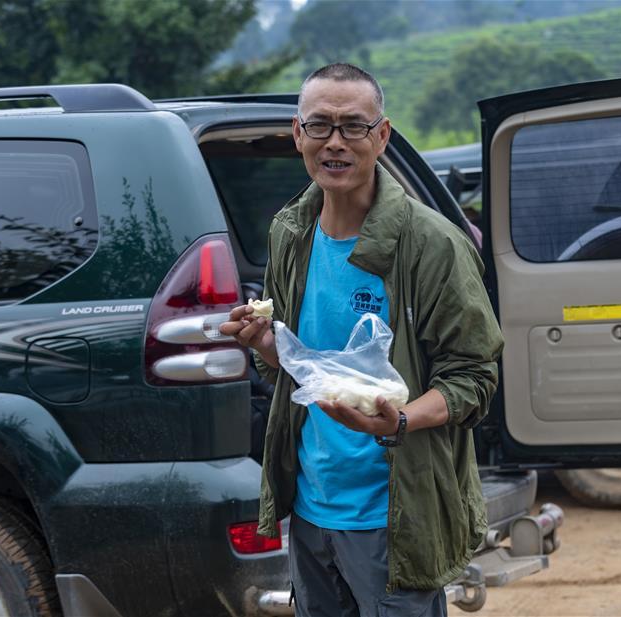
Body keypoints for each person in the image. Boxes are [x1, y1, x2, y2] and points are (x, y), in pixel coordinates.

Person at [219, 63, 503, 617]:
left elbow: (474, 376)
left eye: (353, 126)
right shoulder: (290, 233)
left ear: (382, 135)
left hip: (393, 514)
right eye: (320, 126)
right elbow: (296, 372)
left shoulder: (431, 244)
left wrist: (398, 421)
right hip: (310, 506)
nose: (336, 142)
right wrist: (265, 345)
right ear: (297, 134)